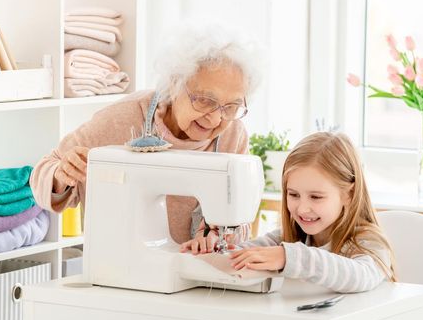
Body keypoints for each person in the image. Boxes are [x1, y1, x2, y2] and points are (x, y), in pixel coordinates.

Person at [30, 20, 263, 244]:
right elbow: (46, 170)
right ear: (174, 84)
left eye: (230, 107)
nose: (215, 118)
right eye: (204, 100)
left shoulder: (233, 135)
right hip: (120, 268)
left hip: (196, 272)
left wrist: (225, 234)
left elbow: (237, 217)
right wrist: (62, 176)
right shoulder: (123, 118)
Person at [181, 132, 396, 292]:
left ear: (348, 195)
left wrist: (290, 257)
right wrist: (211, 251)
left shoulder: (368, 242)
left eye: (316, 197)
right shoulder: (288, 237)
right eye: (293, 195)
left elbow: (360, 276)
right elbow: (246, 255)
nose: (302, 208)